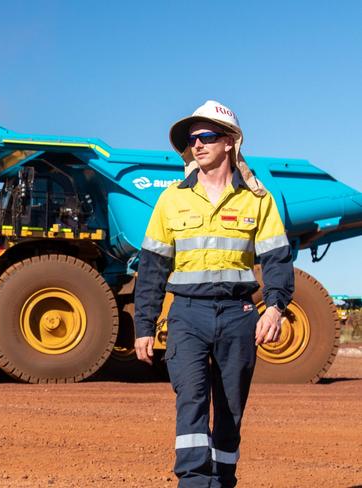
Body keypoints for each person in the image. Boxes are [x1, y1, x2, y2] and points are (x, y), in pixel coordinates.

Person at [134, 100, 294, 487]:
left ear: (230, 143)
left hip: (239, 315)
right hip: (187, 315)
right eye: (192, 140)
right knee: (190, 399)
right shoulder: (172, 199)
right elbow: (152, 267)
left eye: (206, 137)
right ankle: (191, 481)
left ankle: (223, 481)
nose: (197, 145)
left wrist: (274, 308)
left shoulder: (258, 201)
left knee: (229, 409)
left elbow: (277, 260)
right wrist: (144, 324)